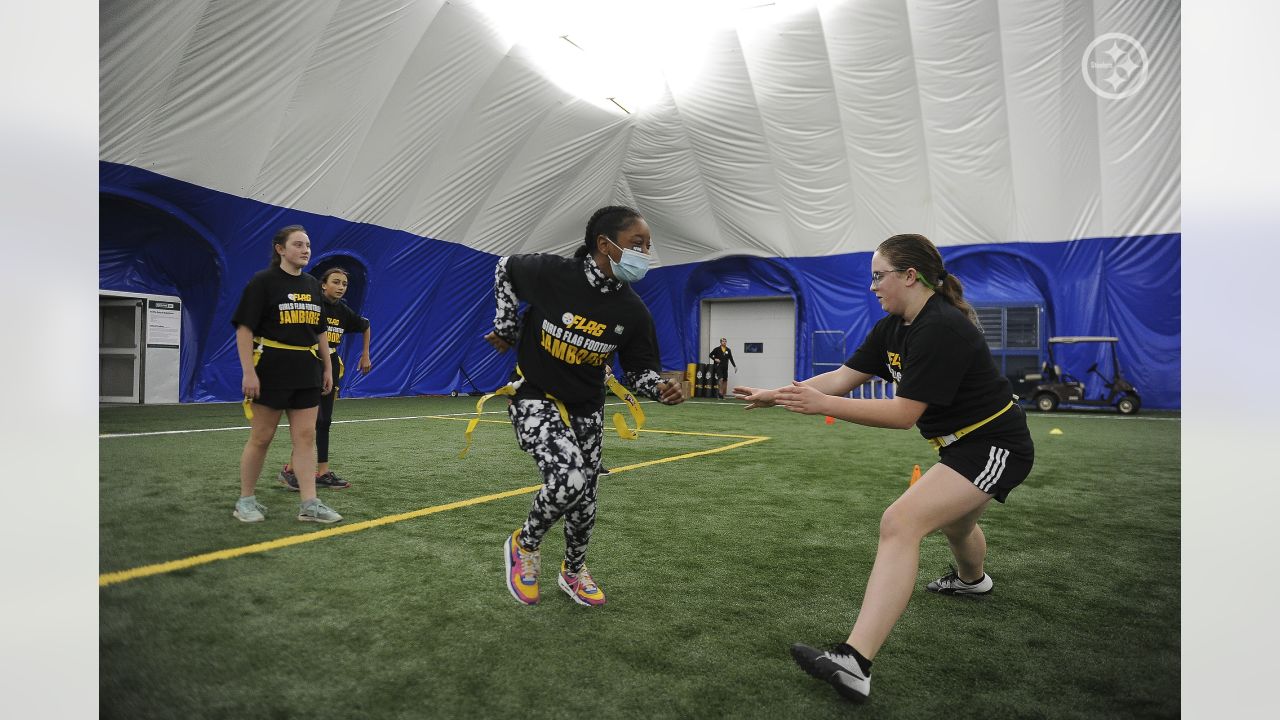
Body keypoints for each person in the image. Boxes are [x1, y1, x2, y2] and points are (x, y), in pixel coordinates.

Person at [734, 233, 1034, 703]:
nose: (873, 286)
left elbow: (902, 415)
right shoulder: (893, 327)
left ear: (909, 276)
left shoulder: (941, 327)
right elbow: (841, 378)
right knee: (958, 526)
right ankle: (974, 582)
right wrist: (780, 393)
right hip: (958, 447)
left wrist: (821, 406)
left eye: (879, 276)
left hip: (997, 445)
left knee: (900, 522)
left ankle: (854, 661)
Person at [484, 205, 685, 607]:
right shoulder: (554, 275)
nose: (644, 253)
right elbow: (505, 267)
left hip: (586, 410)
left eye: (648, 246)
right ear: (604, 245)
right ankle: (524, 545)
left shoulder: (633, 312)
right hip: (534, 397)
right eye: (636, 244)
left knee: (585, 499)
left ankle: (573, 572)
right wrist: (507, 323)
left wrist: (659, 387)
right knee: (570, 479)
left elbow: (640, 371)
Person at [231, 225, 343, 524]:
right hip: (270, 368)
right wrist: (248, 372)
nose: (305, 249)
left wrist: (328, 368)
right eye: (298, 244)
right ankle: (245, 501)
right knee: (262, 437)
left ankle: (310, 503)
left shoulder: (311, 285)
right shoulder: (263, 282)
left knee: (306, 437)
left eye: (307, 244)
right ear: (280, 249)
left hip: (307, 370)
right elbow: (245, 329)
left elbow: (320, 332)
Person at [279, 267, 372, 491]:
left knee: (324, 422)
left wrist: (365, 354)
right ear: (323, 285)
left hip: (329, 365)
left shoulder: (343, 311)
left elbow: (365, 324)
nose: (340, 287)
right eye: (336, 282)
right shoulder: (313, 305)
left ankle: (322, 472)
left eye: (344, 284)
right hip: (308, 363)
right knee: (307, 423)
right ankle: (290, 470)